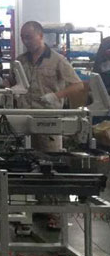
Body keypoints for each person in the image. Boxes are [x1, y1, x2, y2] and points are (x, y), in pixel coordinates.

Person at [13, 20, 85, 231]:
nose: (26, 41)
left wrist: (57, 95)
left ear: (40, 35)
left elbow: (78, 85)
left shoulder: (57, 60)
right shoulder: (20, 61)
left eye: (29, 37)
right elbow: (13, 81)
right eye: (23, 37)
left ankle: (56, 212)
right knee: (27, 164)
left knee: (50, 164)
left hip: (48, 122)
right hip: (24, 120)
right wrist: (9, 88)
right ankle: (34, 208)